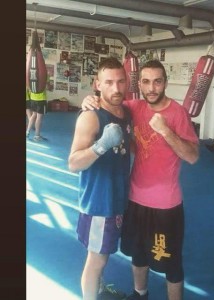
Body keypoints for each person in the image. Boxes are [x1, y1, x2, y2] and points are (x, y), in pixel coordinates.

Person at [81, 59, 199, 300]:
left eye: (157, 81)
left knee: (171, 264)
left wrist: (166, 131)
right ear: (139, 84)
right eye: (146, 82)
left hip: (166, 204)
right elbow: (108, 100)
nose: (152, 88)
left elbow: (193, 157)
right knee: (138, 254)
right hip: (133, 199)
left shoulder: (178, 113)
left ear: (165, 82)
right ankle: (140, 294)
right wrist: (89, 99)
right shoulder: (133, 107)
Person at [68, 57, 132, 300]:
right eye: (109, 82)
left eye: (121, 82)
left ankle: (100, 288)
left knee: (102, 254)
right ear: (98, 84)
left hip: (117, 198)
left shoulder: (125, 111)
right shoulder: (91, 116)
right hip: (99, 203)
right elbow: (73, 163)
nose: (116, 88)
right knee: (97, 259)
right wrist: (101, 145)